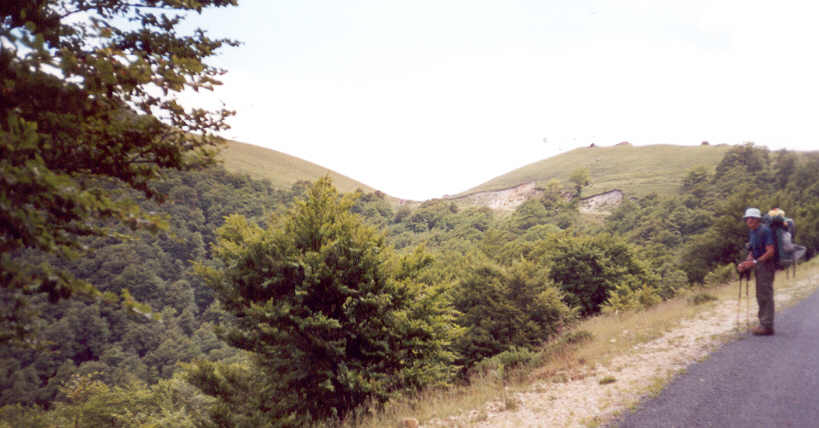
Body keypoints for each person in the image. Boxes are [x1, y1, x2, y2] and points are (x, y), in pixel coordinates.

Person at [737, 208, 776, 335]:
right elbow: (752, 252)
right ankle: (763, 323)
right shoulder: (752, 232)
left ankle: (767, 326)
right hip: (759, 265)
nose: (749, 220)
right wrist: (745, 263)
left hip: (767, 265)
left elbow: (770, 251)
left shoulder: (765, 231)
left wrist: (754, 262)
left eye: (752, 218)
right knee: (760, 294)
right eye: (747, 218)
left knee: (765, 294)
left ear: (758, 219)